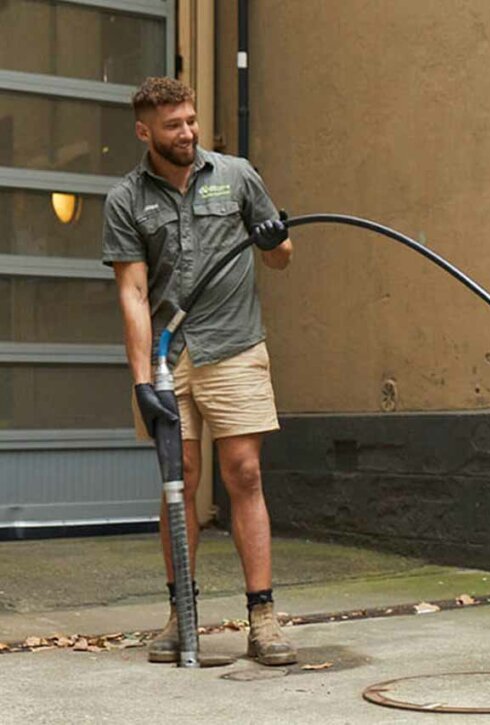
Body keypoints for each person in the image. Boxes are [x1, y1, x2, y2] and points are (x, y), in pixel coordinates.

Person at [101, 77, 297, 666]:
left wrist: (276, 239)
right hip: (169, 357)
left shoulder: (237, 176)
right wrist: (142, 379)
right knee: (177, 478)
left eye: (190, 120)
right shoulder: (127, 199)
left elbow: (280, 257)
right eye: (173, 125)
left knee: (243, 474)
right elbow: (134, 294)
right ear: (144, 132)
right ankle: (180, 615)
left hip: (234, 348)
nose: (186, 132)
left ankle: (262, 617)